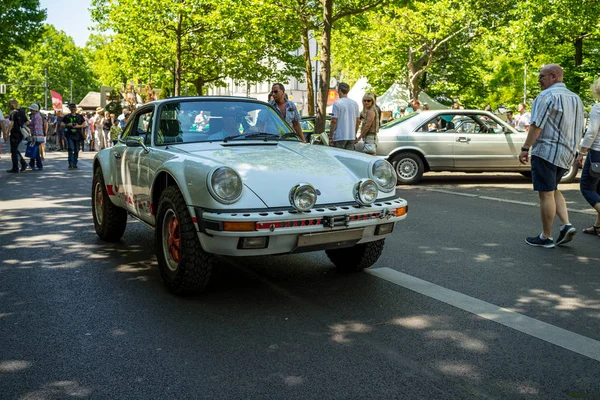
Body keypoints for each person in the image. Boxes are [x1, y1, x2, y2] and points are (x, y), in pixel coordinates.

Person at [518, 64, 584, 248]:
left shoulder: (546, 96)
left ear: (553, 76)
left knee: (545, 193)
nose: (539, 80)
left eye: (542, 76)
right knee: (553, 188)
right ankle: (566, 225)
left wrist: (525, 148)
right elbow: (580, 128)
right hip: (567, 153)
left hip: (546, 152)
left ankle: (546, 237)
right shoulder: (576, 98)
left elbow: (536, 125)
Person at [576, 77, 600, 237]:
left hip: (597, 152)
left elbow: (591, 132)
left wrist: (582, 152)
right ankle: (598, 226)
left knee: (587, 187)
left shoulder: (598, 108)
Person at [329, 82, 360, 150]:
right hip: (351, 136)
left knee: (338, 158)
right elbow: (358, 121)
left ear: (340, 90)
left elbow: (334, 121)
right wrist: (354, 134)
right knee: (349, 158)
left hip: (339, 136)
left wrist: (331, 137)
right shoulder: (355, 104)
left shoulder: (337, 103)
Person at [60, 103, 86, 169]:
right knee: (71, 149)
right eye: (71, 108)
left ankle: (75, 163)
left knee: (76, 150)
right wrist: (67, 124)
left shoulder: (80, 116)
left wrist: (78, 126)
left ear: (76, 108)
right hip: (69, 134)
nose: (73, 109)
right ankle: (70, 163)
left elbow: (84, 124)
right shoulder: (67, 116)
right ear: (70, 109)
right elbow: (61, 124)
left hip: (77, 135)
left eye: (74, 108)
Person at [6, 99, 28, 173]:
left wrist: (6, 133)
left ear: (11, 105)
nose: (8, 106)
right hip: (20, 133)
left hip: (14, 133)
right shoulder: (22, 112)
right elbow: (26, 122)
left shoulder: (13, 113)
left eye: (9, 104)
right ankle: (22, 163)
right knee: (15, 149)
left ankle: (16, 167)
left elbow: (11, 124)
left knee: (13, 150)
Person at [26, 104, 44, 170]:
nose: (30, 110)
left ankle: (37, 165)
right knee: (35, 150)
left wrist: (34, 136)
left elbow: (36, 127)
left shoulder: (36, 116)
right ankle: (34, 164)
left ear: (34, 110)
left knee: (34, 150)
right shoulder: (37, 116)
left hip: (36, 135)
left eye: (31, 109)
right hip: (38, 135)